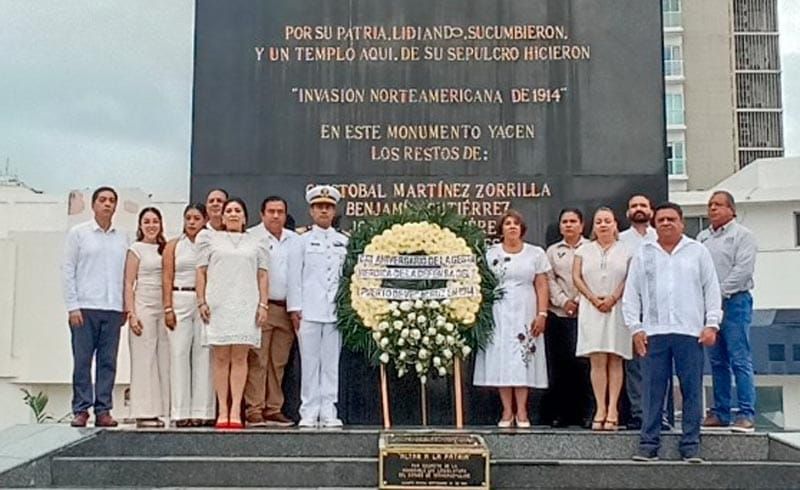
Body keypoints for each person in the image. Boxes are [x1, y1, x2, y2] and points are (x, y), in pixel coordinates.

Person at [623, 202, 722, 462]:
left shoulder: (697, 252)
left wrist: (712, 323)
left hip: (690, 332)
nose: (666, 223)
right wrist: (635, 327)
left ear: (682, 223)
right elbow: (631, 293)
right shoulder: (644, 253)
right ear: (655, 224)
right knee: (653, 392)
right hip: (653, 333)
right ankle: (648, 445)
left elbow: (711, 289)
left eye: (671, 219)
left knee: (691, 389)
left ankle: (690, 446)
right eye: (661, 220)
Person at [196, 198, 269, 429]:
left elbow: (263, 275)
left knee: (239, 357)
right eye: (229, 211)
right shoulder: (209, 239)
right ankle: (223, 410)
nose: (233, 214)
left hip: (246, 303)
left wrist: (263, 305)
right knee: (220, 358)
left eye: (238, 210)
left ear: (245, 217)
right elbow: (201, 272)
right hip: (218, 303)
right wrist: (201, 301)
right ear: (222, 216)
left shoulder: (257, 241)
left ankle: (236, 409)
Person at [474, 210, 550, 428]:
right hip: (499, 311)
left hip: (526, 309)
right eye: (507, 223)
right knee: (502, 359)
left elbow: (542, 284)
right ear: (501, 229)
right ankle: (507, 411)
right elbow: (483, 284)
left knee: (522, 359)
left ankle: (523, 410)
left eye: (516, 223)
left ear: (522, 229)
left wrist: (542, 313)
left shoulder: (535, 253)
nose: (512, 227)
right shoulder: (490, 253)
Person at [62, 186, 129, 427]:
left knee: (108, 362)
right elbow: (68, 270)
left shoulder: (123, 236)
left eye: (112, 200)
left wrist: (125, 306)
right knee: (82, 360)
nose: (107, 204)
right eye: (102, 200)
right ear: (94, 205)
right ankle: (81, 409)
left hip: (113, 308)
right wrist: (73, 306)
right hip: (85, 307)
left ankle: (103, 409)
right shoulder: (78, 234)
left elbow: (127, 275)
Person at [288, 185, 348, 428]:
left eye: (328, 207)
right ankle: (309, 410)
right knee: (310, 363)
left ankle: (329, 409)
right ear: (311, 211)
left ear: (334, 211)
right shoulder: (301, 241)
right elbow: (295, 276)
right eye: (319, 207)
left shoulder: (343, 241)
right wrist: (295, 308)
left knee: (331, 363)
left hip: (334, 312)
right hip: (309, 312)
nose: (323, 211)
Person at [698, 190, 758, 432]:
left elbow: (742, 271)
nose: (713, 209)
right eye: (710, 205)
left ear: (731, 210)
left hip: (734, 303)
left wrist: (717, 294)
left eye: (719, 205)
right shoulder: (702, 238)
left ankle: (746, 413)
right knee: (717, 361)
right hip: (708, 308)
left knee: (739, 358)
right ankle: (720, 412)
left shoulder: (743, 236)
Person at [573, 207, 632, 431]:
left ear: (616, 224)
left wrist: (613, 298)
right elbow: (576, 277)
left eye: (608, 221)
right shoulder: (583, 251)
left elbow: (629, 277)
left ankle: (613, 409)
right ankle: (600, 408)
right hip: (591, 309)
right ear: (593, 226)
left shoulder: (626, 251)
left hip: (617, 308)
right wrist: (593, 299)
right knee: (597, 359)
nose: (603, 225)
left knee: (615, 358)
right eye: (599, 221)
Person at [244, 196, 297, 427]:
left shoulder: (294, 239)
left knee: (278, 363)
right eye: (271, 211)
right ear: (262, 214)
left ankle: (273, 407)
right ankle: (254, 408)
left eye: (280, 211)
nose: (276, 216)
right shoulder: (251, 238)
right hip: (261, 307)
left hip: (286, 308)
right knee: (258, 360)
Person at [162, 203, 215, 427]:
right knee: (179, 353)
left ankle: (203, 411)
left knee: (204, 354)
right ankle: (180, 411)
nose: (192, 222)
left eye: (196, 218)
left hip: (204, 301)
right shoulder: (174, 245)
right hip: (180, 298)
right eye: (188, 218)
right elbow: (166, 277)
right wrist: (168, 307)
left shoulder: (211, 243)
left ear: (204, 220)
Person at [544, 208, 593, 428]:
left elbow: (594, 278)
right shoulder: (553, 251)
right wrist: (564, 301)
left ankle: (585, 413)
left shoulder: (591, 249)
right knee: (561, 366)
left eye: (573, 221)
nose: (569, 225)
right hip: (559, 315)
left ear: (582, 226)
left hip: (586, 314)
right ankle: (561, 414)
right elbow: (549, 279)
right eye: (565, 221)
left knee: (584, 366)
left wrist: (581, 302)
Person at [124, 207, 170, 428]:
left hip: (164, 308)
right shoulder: (136, 249)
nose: (151, 225)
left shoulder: (166, 248)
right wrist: (131, 313)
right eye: (147, 222)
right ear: (140, 226)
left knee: (162, 359)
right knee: (144, 359)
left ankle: (160, 410)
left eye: (155, 221)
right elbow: (128, 283)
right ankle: (143, 411)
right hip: (143, 306)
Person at [618, 194, 658, 430]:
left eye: (643, 205)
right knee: (633, 365)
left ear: (651, 211)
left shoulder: (660, 237)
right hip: (632, 309)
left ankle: (659, 414)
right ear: (628, 213)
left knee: (659, 365)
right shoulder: (621, 241)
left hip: (660, 310)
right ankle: (638, 413)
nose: (639, 209)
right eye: (634, 206)